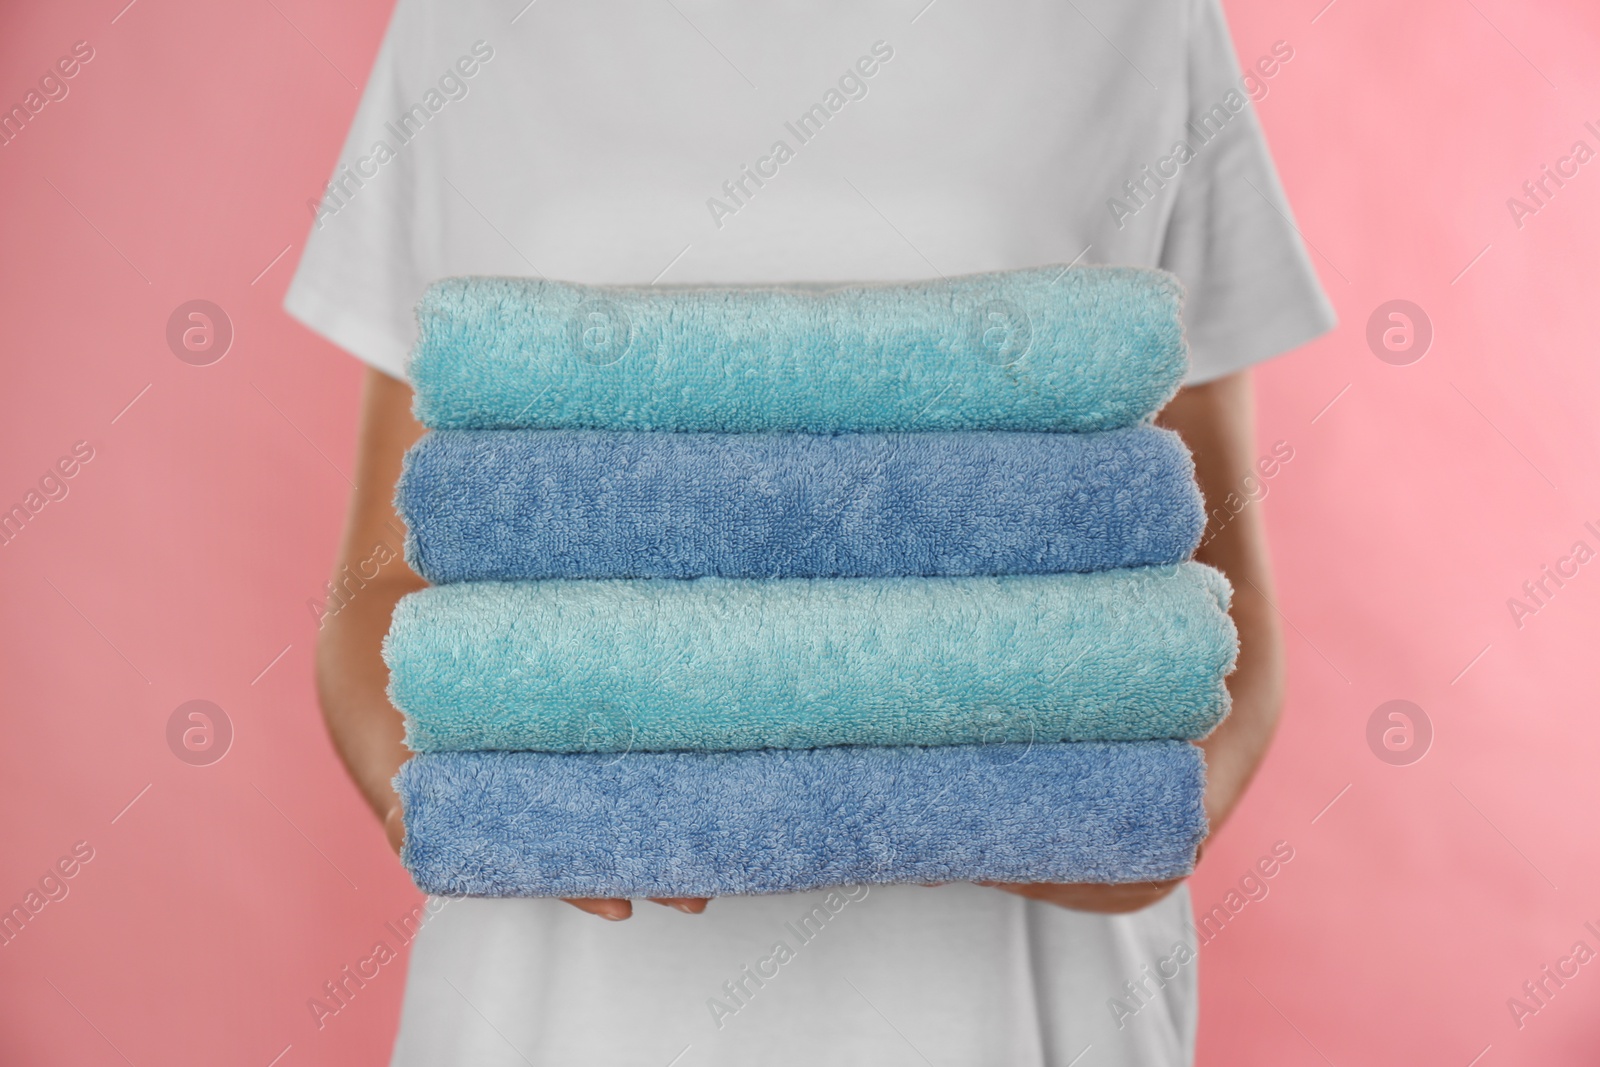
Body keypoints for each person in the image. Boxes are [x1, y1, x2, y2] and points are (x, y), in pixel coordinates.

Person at [286, 0, 1333, 1063]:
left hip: (1021, 1019)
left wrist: (1143, 813)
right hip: (556, 1025)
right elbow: (386, 584)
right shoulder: (463, 25)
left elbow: (1211, 576)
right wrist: (486, 815)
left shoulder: (1140, 22)